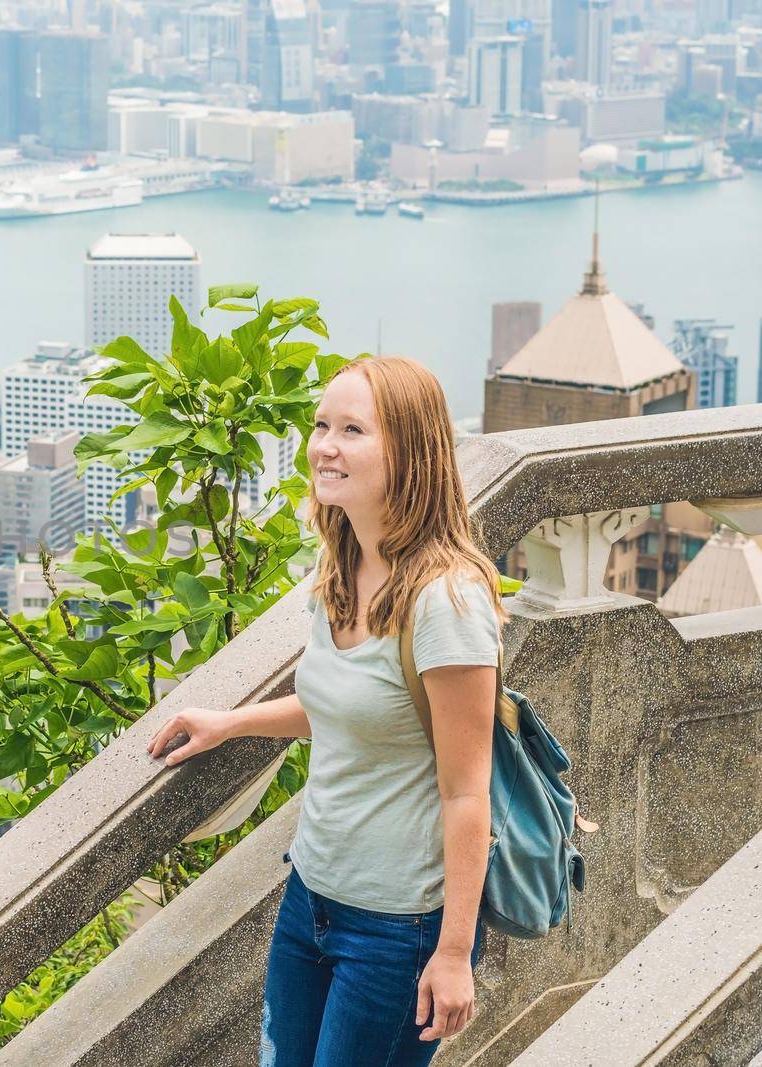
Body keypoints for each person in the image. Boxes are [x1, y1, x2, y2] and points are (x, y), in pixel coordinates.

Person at [145, 356, 509, 1067]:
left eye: (352, 429)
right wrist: (232, 721)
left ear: (408, 453)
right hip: (310, 900)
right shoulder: (342, 566)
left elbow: (468, 791)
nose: (325, 446)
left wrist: (455, 952)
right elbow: (352, 709)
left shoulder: (448, 602)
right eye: (320, 426)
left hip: (396, 929)